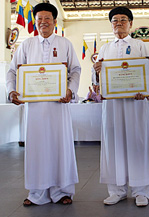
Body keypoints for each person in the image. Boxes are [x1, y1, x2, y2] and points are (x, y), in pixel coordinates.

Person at [6, 3, 80, 206]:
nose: (43, 22)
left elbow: (75, 70)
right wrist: (12, 91)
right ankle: (37, 192)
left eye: (47, 18)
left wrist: (70, 90)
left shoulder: (65, 44)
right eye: (39, 18)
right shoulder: (26, 45)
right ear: (34, 22)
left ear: (55, 21)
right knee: (37, 148)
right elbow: (12, 71)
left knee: (59, 146)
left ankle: (62, 191)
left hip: (58, 107)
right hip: (35, 108)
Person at [93, 6, 149, 207]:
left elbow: (148, 71)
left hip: (135, 103)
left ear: (131, 24)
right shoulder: (104, 48)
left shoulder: (139, 45)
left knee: (138, 143)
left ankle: (141, 191)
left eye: (123, 19)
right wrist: (96, 71)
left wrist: (144, 90)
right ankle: (116, 190)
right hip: (112, 104)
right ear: (111, 25)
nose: (118, 23)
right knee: (114, 143)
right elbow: (98, 79)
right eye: (115, 20)